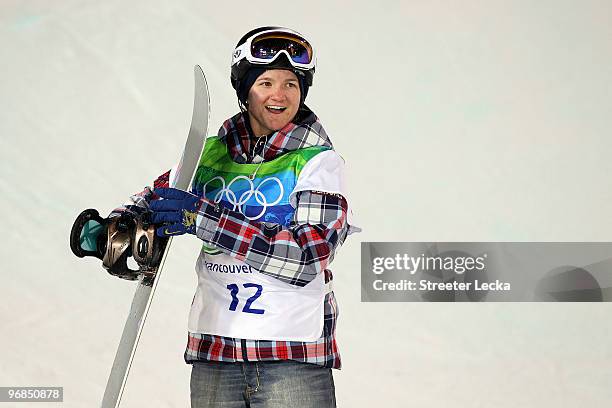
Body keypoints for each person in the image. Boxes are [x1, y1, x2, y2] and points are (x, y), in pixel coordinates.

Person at [119, 26, 359, 407]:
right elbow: (153, 200)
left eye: (291, 84)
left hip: (290, 355)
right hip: (216, 353)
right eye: (265, 82)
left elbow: (307, 258)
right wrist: (117, 228)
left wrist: (201, 217)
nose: (279, 95)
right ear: (245, 89)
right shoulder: (209, 153)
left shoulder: (317, 162)